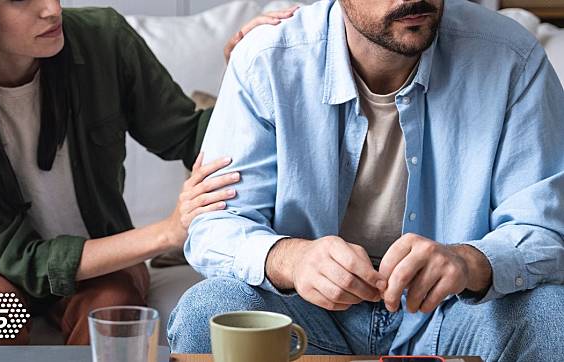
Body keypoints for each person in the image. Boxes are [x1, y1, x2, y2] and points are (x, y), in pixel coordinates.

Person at [168, 0, 564, 361]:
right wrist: (292, 259)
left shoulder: (512, 57)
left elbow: (544, 229)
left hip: (455, 312)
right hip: (309, 316)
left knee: (552, 314)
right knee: (209, 308)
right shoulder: (268, 58)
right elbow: (216, 224)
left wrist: (468, 261)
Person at [0, 0, 295, 345]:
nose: (52, 8)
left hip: (101, 253)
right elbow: (21, 259)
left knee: (114, 308)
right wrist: (167, 232)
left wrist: (246, 71)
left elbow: (188, 136)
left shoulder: (104, 40)